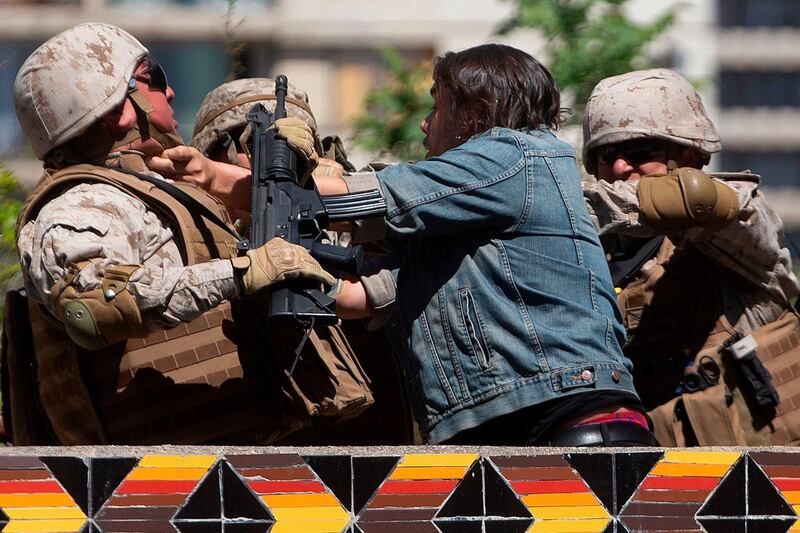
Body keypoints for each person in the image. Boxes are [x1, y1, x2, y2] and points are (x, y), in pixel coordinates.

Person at [6, 22, 347, 445]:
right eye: (156, 78)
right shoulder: (84, 204)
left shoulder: (157, 191)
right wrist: (240, 274)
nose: (168, 92)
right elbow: (93, 308)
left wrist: (292, 173)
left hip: (219, 456)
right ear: (120, 110)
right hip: (148, 481)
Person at [314, 43, 655, 446]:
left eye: (436, 108)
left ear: (474, 111)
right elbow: (363, 295)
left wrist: (235, 181)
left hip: (566, 418)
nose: (425, 125)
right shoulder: (461, 221)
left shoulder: (515, 155)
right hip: (514, 427)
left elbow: (351, 201)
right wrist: (262, 272)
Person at [187, 77, 413, 444]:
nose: (275, 164)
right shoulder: (192, 234)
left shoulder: (339, 205)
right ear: (214, 155)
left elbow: (408, 212)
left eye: (293, 148)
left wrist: (318, 197)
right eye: (255, 148)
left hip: (369, 453)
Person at [582, 68, 800, 445]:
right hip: (670, 487)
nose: (619, 167)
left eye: (639, 151)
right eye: (606, 154)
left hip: (777, 468)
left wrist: (561, 204)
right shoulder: (587, 256)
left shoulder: (731, 223)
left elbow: (698, 200)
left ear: (690, 152)